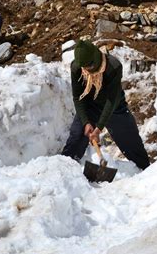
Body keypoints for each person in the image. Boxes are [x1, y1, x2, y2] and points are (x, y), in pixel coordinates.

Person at [62, 40, 150, 170]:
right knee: (76, 137)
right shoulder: (77, 67)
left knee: (131, 144)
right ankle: (64, 170)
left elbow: (111, 100)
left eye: (90, 65)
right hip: (90, 106)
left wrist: (98, 128)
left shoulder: (113, 67)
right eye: (84, 67)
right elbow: (78, 97)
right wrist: (86, 121)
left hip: (115, 107)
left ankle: (145, 172)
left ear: (96, 56)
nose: (88, 69)